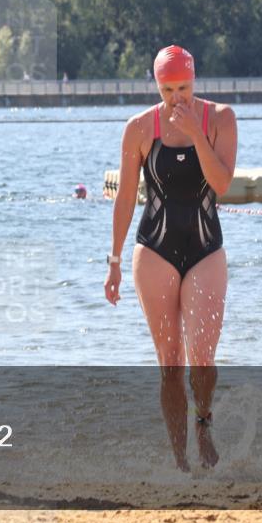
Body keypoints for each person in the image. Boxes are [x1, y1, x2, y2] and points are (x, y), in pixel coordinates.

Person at [104, 45, 237, 471]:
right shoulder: (140, 128)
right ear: (156, 85)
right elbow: (125, 198)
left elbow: (222, 184)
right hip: (155, 249)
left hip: (205, 248)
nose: (176, 97)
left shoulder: (220, 118)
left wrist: (196, 133)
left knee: (202, 357)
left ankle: (204, 425)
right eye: (167, 89)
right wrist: (114, 261)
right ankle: (179, 459)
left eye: (183, 87)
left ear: (194, 81)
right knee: (169, 361)